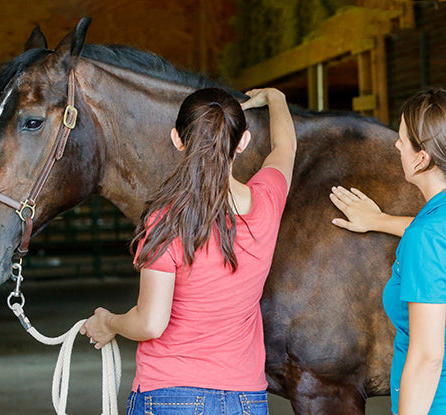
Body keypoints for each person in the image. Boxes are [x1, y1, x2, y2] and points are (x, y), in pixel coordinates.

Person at [79, 87, 296, 414]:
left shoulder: (166, 220)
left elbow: (151, 323)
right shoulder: (267, 201)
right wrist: (277, 98)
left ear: (177, 139)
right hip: (244, 399)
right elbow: (286, 147)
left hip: (170, 394)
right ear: (243, 142)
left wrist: (109, 323)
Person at [330, 87, 446, 415]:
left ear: (422, 158)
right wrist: (380, 220)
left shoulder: (428, 236)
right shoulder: (432, 227)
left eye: (403, 139)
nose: (396, 144)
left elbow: (427, 355)